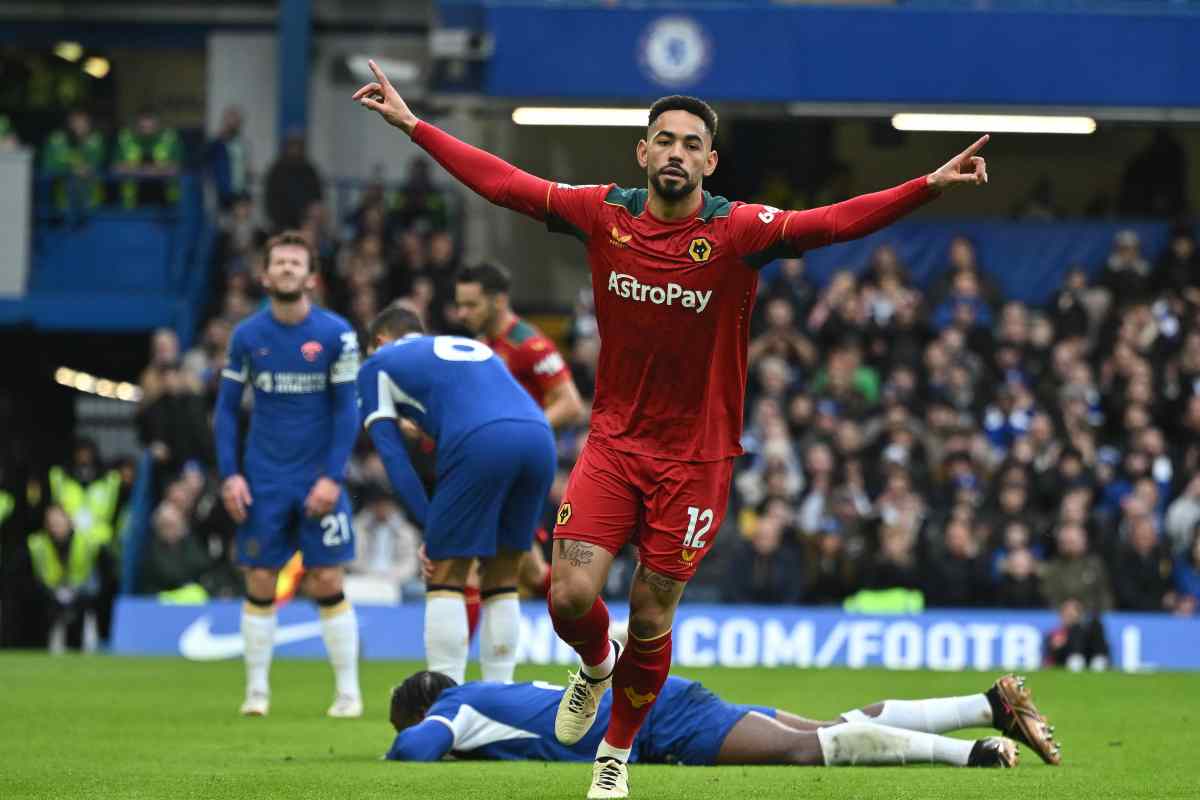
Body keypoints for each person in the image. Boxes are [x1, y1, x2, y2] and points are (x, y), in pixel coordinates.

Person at [355, 60, 990, 799]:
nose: (677, 153)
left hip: (696, 461)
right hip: (615, 445)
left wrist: (927, 187)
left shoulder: (737, 230)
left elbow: (833, 222)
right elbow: (506, 183)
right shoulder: (604, 214)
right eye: (665, 140)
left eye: (692, 143)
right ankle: (594, 669)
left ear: (709, 162)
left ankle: (614, 757)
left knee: (652, 613)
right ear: (643, 153)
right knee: (566, 597)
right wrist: (414, 125)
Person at [356, 304, 557, 684]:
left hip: (481, 443)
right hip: (538, 438)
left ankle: (442, 701)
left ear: (380, 341)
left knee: (446, 573)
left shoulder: (375, 365)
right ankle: (501, 696)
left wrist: (429, 529)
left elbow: (393, 455)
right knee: (503, 574)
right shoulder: (463, 346)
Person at [214, 231, 362, 718]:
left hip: (318, 477)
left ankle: (348, 692)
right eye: (279, 262)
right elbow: (226, 412)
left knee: (326, 578)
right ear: (264, 275)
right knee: (259, 578)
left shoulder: (337, 335)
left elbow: (347, 411)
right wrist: (231, 475)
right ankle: (256, 692)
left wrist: (333, 477)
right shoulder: (246, 337)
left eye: (296, 263)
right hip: (262, 480)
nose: (287, 269)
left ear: (312, 277)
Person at [385, 671, 1063, 769]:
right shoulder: (488, 690)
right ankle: (988, 708)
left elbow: (412, 751)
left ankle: (969, 755)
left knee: (808, 749)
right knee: (828, 724)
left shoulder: (452, 708)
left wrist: (414, 747)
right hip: (658, 697)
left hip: (656, 718)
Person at [455, 261, 586, 620]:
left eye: (471, 305)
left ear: (498, 301)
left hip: (514, 472)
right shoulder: (482, 345)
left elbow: (570, 405)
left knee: (466, 566)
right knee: (527, 570)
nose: (462, 313)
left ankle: (448, 672)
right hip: (492, 469)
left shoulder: (529, 344)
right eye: (460, 304)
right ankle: (601, 633)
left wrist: (519, 438)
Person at [112, 107, 183, 208]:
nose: (147, 130)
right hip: (131, 203)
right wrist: (141, 171)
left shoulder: (170, 138)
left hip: (167, 204)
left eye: (150, 127)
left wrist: (154, 171)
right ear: (136, 126)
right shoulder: (124, 138)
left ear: (158, 125)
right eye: (143, 127)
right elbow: (115, 168)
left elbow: (177, 168)